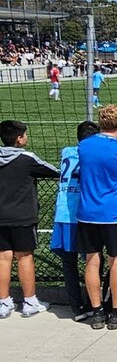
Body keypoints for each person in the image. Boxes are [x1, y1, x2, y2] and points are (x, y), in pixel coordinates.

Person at [76, 105, 117, 330]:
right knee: (116, 260)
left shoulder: (83, 146)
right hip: (112, 213)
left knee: (92, 261)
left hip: (86, 212)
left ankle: (96, 312)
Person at [0, 120, 59, 318]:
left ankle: (3, 302)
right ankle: (30, 301)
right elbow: (53, 171)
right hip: (23, 217)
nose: (26, 137)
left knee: (2, 258)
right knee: (24, 257)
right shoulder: (27, 159)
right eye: (24, 135)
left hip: (1, 216)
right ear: (18, 139)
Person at [51, 121, 99, 321]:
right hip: (80, 214)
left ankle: (77, 306)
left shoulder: (66, 151)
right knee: (94, 260)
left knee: (69, 264)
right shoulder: (89, 154)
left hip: (62, 213)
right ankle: (91, 303)